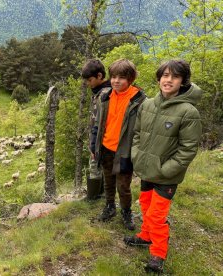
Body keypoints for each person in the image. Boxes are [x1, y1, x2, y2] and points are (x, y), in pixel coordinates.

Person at [124, 59, 202, 273]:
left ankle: (158, 253)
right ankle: (145, 236)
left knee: (157, 215)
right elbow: (137, 134)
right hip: (147, 168)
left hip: (166, 175)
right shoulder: (147, 105)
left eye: (175, 76)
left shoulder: (188, 112)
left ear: (183, 81)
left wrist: (165, 169)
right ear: (159, 78)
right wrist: (136, 155)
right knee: (145, 205)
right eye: (165, 75)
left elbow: (188, 149)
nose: (169, 80)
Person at [91, 59, 146, 230]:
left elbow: (144, 129)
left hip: (125, 152)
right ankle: (109, 207)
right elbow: (97, 124)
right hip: (106, 148)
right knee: (108, 182)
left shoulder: (139, 100)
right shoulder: (105, 97)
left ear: (130, 78)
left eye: (121, 77)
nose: (116, 81)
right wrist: (94, 146)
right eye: (113, 76)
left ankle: (126, 211)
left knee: (123, 185)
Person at [81, 59, 111, 199]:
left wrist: (94, 145)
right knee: (98, 165)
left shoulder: (105, 94)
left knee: (94, 165)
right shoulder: (99, 91)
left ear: (99, 76)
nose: (88, 83)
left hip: (100, 139)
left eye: (90, 80)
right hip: (97, 138)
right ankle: (99, 195)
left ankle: (93, 198)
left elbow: (101, 121)